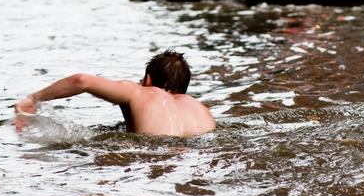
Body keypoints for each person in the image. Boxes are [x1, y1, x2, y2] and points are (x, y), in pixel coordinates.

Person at [14, 50, 215, 137]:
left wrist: (33, 98)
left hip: (153, 158)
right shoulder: (200, 109)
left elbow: (81, 80)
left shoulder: (141, 93)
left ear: (148, 80)